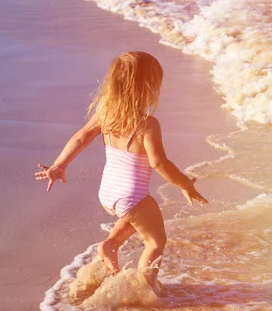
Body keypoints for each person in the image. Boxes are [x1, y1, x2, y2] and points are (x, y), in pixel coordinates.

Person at [35, 51, 207, 286]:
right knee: (155, 243)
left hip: (108, 192)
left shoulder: (105, 115)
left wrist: (59, 165)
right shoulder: (148, 125)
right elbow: (159, 163)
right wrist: (184, 184)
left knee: (135, 216)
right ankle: (144, 289)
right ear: (149, 87)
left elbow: (80, 138)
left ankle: (110, 244)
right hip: (131, 195)